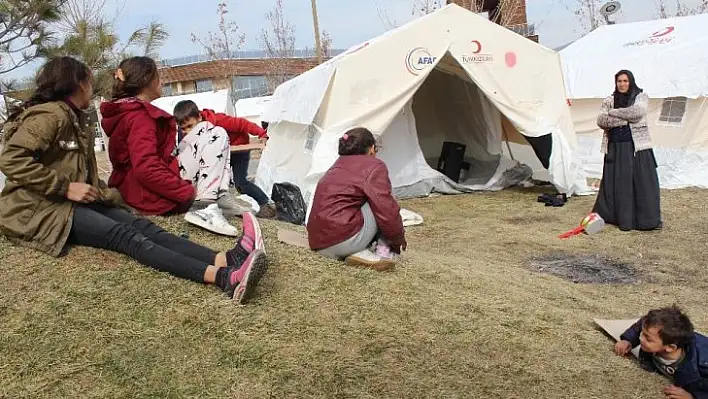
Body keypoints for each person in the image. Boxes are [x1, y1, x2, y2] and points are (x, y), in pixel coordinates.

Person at [0, 57, 268, 305]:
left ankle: (225, 259)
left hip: (62, 201)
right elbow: (10, 159)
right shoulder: (51, 115)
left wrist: (105, 196)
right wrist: (65, 187)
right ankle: (224, 278)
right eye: (90, 82)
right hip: (38, 210)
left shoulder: (73, 117)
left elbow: (77, 171)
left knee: (141, 226)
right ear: (79, 84)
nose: (92, 88)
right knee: (127, 237)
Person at [100, 57, 244, 236]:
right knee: (217, 134)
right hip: (143, 192)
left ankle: (216, 196)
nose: (161, 81)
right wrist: (185, 192)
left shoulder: (129, 112)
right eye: (157, 76)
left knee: (205, 129)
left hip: (131, 184)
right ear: (147, 81)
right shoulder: (139, 118)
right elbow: (146, 167)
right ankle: (205, 206)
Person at [307, 127, 406, 271]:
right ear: (372, 148)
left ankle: (359, 252)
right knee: (379, 200)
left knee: (367, 198)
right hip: (343, 240)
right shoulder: (374, 165)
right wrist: (397, 239)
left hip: (319, 243)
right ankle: (383, 252)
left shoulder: (336, 165)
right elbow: (386, 209)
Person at [173, 100, 276, 219]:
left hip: (238, 150)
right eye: (183, 128)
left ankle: (266, 204)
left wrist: (262, 134)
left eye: (191, 126)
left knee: (241, 183)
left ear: (199, 117)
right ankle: (211, 207)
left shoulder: (219, 121)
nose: (188, 131)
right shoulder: (185, 134)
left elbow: (243, 124)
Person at [595, 69, 662, 231]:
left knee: (640, 183)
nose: (622, 84)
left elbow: (637, 112)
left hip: (636, 147)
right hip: (615, 146)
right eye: (619, 81)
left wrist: (615, 113)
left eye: (625, 81)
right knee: (618, 184)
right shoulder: (610, 99)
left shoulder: (640, 96)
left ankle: (644, 219)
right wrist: (624, 121)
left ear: (630, 81)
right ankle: (618, 216)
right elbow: (601, 120)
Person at [614, 306, 708, 399]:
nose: (641, 338)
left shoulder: (702, 366)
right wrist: (628, 340)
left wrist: (693, 396)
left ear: (670, 347)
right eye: (642, 334)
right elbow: (643, 323)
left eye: (648, 339)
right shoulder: (656, 331)